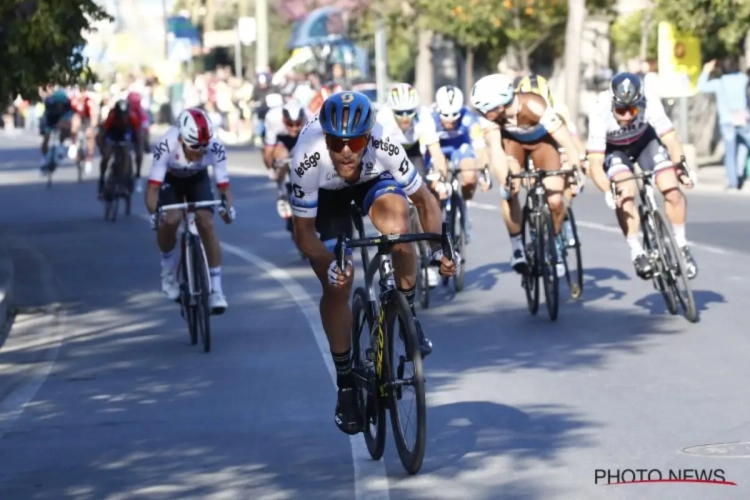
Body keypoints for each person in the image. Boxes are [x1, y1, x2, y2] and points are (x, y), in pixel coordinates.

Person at [290, 91, 457, 434]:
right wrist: (329, 263)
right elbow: (304, 234)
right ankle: (347, 384)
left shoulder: (385, 143)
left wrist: (438, 250)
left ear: (369, 135)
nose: (347, 151)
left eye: (356, 141)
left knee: (398, 232)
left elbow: (425, 202)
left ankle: (406, 316)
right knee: (338, 282)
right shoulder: (306, 155)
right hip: (326, 197)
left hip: (372, 183)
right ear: (326, 138)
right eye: (337, 143)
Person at [586, 72, 697, 279]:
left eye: (633, 110)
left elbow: (671, 140)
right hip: (615, 150)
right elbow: (594, 164)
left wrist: (681, 167)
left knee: (672, 189)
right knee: (625, 192)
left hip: (645, 143)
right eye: (621, 110)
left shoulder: (650, 100)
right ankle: (636, 250)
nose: (627, 116)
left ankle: (682, 246)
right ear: (612, 103)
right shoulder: (599, 110)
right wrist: (608, 191)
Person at [470, 73, 582, 275]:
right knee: (510, 189)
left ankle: (554, 240)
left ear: (499, 106)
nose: (481, 114)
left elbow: (567, 143)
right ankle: (517, 247)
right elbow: (496, 150)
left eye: (484, 110)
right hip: (513, 145)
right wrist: (506, 181)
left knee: (556, 201)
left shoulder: (535, 106)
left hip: (543, 144)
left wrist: (575, 170)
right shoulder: (490, 118)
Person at [145, 108, 236, 313]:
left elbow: (224, 188)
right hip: (170, 180)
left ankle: (216, 291)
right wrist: (154, 213)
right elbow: (152, 190)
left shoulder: (215, 147)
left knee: (207, 222)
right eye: (195, 146)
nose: (200, 151)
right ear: (182, 139)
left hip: (197, 179)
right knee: (171, 219)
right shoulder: (166, 145)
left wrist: (227, 208)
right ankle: (168, 272)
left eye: (204, 147)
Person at [377, 82, 445, 286]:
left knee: (427, 195)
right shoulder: (382, 119)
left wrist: (441, 178)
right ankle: (387, 252)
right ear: (392, 110)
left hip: (412, 153)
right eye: (400, 112)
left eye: (410, 112)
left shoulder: (424, 116)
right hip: (387, 157)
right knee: (388, 202)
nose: (405, 117)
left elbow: (436, 152)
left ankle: (429, 257)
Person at [430, 85, 490, 242]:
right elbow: (426, 151)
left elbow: (479, 146)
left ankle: (465, 208)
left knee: (470, 177)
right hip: (437, 148)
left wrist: (484, 173)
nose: (450, 120)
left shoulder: (469, 118)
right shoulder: (430, 118)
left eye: (454, 115)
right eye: (445, 115)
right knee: (433, 186)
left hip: (460, 147)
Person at [697, 57, 750, 190]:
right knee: (743, 149)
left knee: (730, 152)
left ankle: (733, 183)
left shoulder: (719, 82)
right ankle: (740, 174)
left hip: (727, 121)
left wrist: (706, 71)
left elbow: (701, 86)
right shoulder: (743, 79)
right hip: (743, 119)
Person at [262, 99, 311, 229]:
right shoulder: (273, 118)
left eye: (298, 124)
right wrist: (272, 169)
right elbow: (268, 151)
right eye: (290, 124)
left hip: (301, 139)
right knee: (281, 156)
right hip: (280, 140)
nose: (294, 128)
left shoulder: (309, 117)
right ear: (284, 120)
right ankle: (282, 191)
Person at [96, 99, 142, 198]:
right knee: (106, 156)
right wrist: (102, 147)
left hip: (126, 135)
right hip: (113, 134)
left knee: (126, 154)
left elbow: (138, 136)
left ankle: (123, 181)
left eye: (124, 114)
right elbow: (103, 133)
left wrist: (138, 150)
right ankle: (102, 179)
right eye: (120, 114)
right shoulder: (111, 117)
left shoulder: (132, 118)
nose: (122, 117)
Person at [39, 88, 75, 171]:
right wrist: (45, 129)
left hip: (61, 118)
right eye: (58, 103)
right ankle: (44, 159)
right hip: (50, 118)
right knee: (46, 137)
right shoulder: (49, 101)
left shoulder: (67, 102)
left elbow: (69, 114)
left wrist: (65, 126)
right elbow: (46, 116)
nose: (59, 105)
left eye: (61, 103)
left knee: (65, 127)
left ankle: (62, 146)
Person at [70, 86, 99, 174]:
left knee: (90, 136)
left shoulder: (89, 101)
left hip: (88, 120)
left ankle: (89, 159)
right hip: (79, 120)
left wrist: (91, 127)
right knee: (75, 120)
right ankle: (73, 144)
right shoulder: (74, 100)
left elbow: (94, 116)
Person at [127, 91, 149, 192]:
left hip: (137, 133)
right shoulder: (124, 110)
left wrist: (144, 140)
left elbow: (145, 126)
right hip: (126, 132)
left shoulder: (142, 112)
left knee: (139, 153)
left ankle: (138, 175)